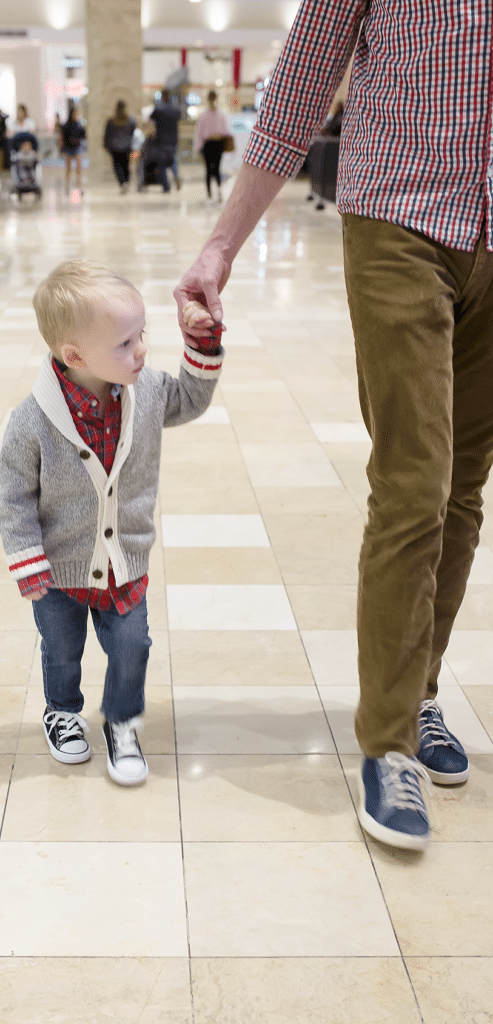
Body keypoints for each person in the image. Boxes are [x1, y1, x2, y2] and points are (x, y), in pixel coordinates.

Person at [175, 0, 493, 852]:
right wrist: (220, 247)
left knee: (462, 486)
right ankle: (387, 741)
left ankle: (418, 691)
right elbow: (298, 88)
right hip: (400, 219)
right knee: (413, 484)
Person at [0, 261, 224, 785]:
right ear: (74, 356)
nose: (141, 351)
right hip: (56, 572)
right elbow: (14, 496)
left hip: (124, 563)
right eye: (125, 343)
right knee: (62, 650)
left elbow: (191, 398)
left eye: (141, 335)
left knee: (132, 647)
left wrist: (202, 345)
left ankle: (122, 722)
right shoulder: (30, 422)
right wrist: (27, 557)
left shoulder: (146, 394)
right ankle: (63, 712)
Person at [193, 90, 229, 203]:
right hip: (210, 145)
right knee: (211, 170)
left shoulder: (219, 115)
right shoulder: (205, 115)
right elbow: (200, 133)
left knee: (214, 170)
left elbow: (225, 132)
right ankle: (211, 194)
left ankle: (215, 193)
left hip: (216, 145)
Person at [149, 88, 181, 192]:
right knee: (172, 158)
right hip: (173, 139)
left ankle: (166, 186)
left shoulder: (158, 109)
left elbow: (150, 120)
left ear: (162, 96)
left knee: (161, 162)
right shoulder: (175, 109)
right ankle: (176, 175)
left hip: (161, 139)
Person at [103, 100, 136, 193]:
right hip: (126, 147)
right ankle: (126, 181)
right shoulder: (130, 120)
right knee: (126, 165)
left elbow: (107, 135)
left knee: (117, 166)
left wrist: (106, 145)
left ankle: (122, 183)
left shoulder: (112, 120)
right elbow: (133, 132)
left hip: (114, 148)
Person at [61, 106, 86, 193]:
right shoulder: (66, 125)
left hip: (77, 147)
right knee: (68, 168)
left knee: (78, 168)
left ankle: (80, 187)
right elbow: (64, 138)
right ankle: (67, 186)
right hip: (68, 148)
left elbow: (83, 135)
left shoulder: (79, 124)